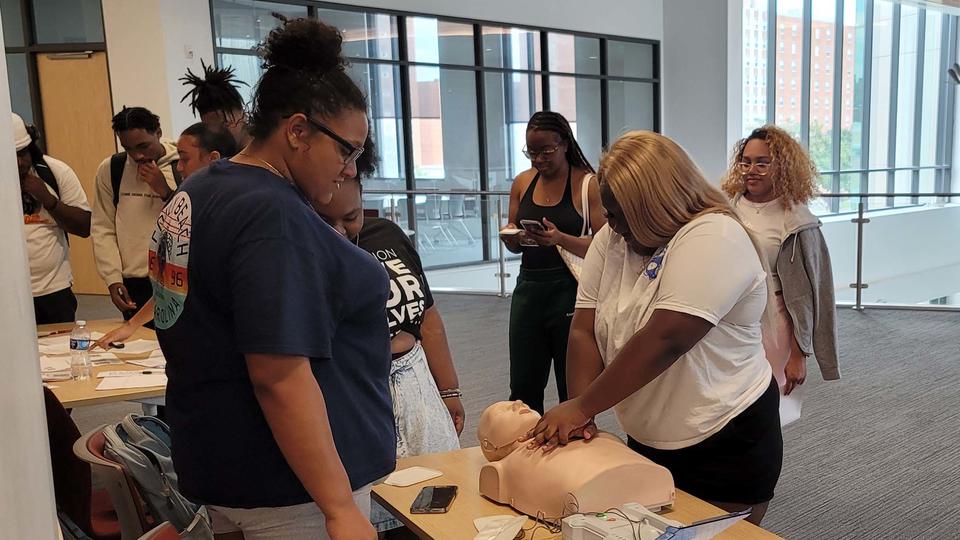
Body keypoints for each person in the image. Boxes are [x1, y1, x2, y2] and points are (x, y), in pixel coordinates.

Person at [150, 17, 392, 540]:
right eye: (347, 150)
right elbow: (279, 374)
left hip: (223, 463)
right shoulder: (270, 213)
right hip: (291, 488)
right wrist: (339, 508)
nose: (350, 168)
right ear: (298, 130)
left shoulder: (199, 191)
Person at [525, 131, 782, 526]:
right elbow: (583, 330)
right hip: (649, 436)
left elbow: (667, 339)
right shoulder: (611, 240)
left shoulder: (715, 235)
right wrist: (583, 411)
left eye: (619, 214)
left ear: (655, 204)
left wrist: (581, 407)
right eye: (608, 213)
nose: (611, 225)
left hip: (725, 436)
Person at [316, 176, 462, 532]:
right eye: (326, 221)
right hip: (356, 389)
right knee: (375, 511)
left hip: (415, 378)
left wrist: (450, 389)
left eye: (350, 217)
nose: (341, 231)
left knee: (440, 501)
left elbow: (427, 314)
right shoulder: (306, 252)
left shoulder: (388, 234)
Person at [721, 125, 840, 410]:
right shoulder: (724, 207)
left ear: (782, 168)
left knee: (765, 407)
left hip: (772, 323)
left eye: (762, 163)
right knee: (724, 402)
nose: (752, 170)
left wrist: (799, 355)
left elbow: (810, 294)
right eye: (746, 162)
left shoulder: (797, 222)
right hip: (726, 317)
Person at [498, 111, 605, 415]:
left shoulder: (587, 185)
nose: (538, 159)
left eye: (546, 150)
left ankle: (573, 456)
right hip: (529, 287)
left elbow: (603, 246)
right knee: (522, 386)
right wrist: (513, 238)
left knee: (571, 386)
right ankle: (522, 450)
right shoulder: (522, 182)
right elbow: (512, 233)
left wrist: (560, 239)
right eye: (532, 152)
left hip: (570, 289)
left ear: (565, 144)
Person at [93, 122, 237, 348]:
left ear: (213, 158)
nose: (179, 167)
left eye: (184, 159)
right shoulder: (194, 202)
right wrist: (132, 325)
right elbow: (172, 284)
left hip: (224, 337)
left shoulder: (235, 207)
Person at [91, 107, 181, 321]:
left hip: (178, 280)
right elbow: (103, 227)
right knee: (139, 347)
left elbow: (196, 221)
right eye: (128, 148)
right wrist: (112, 278)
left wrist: (165, 192)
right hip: (134, 281)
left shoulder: (182, 165)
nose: (137, 155)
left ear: (158, 133)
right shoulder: (112, 168)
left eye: (143, 146)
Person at [13, 113, 90, 324]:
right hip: (8, 294)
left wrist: (48, 199)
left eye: (24, 153)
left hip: (53, 290)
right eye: (11, 155)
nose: (20, 162)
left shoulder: (54, 172)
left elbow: (84, 226)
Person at [180, 61, 252, 147]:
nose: (220, 135)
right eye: (211, 131)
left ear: (243, 114)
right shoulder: (214, 156)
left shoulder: (267, 147)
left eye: (225, 125)